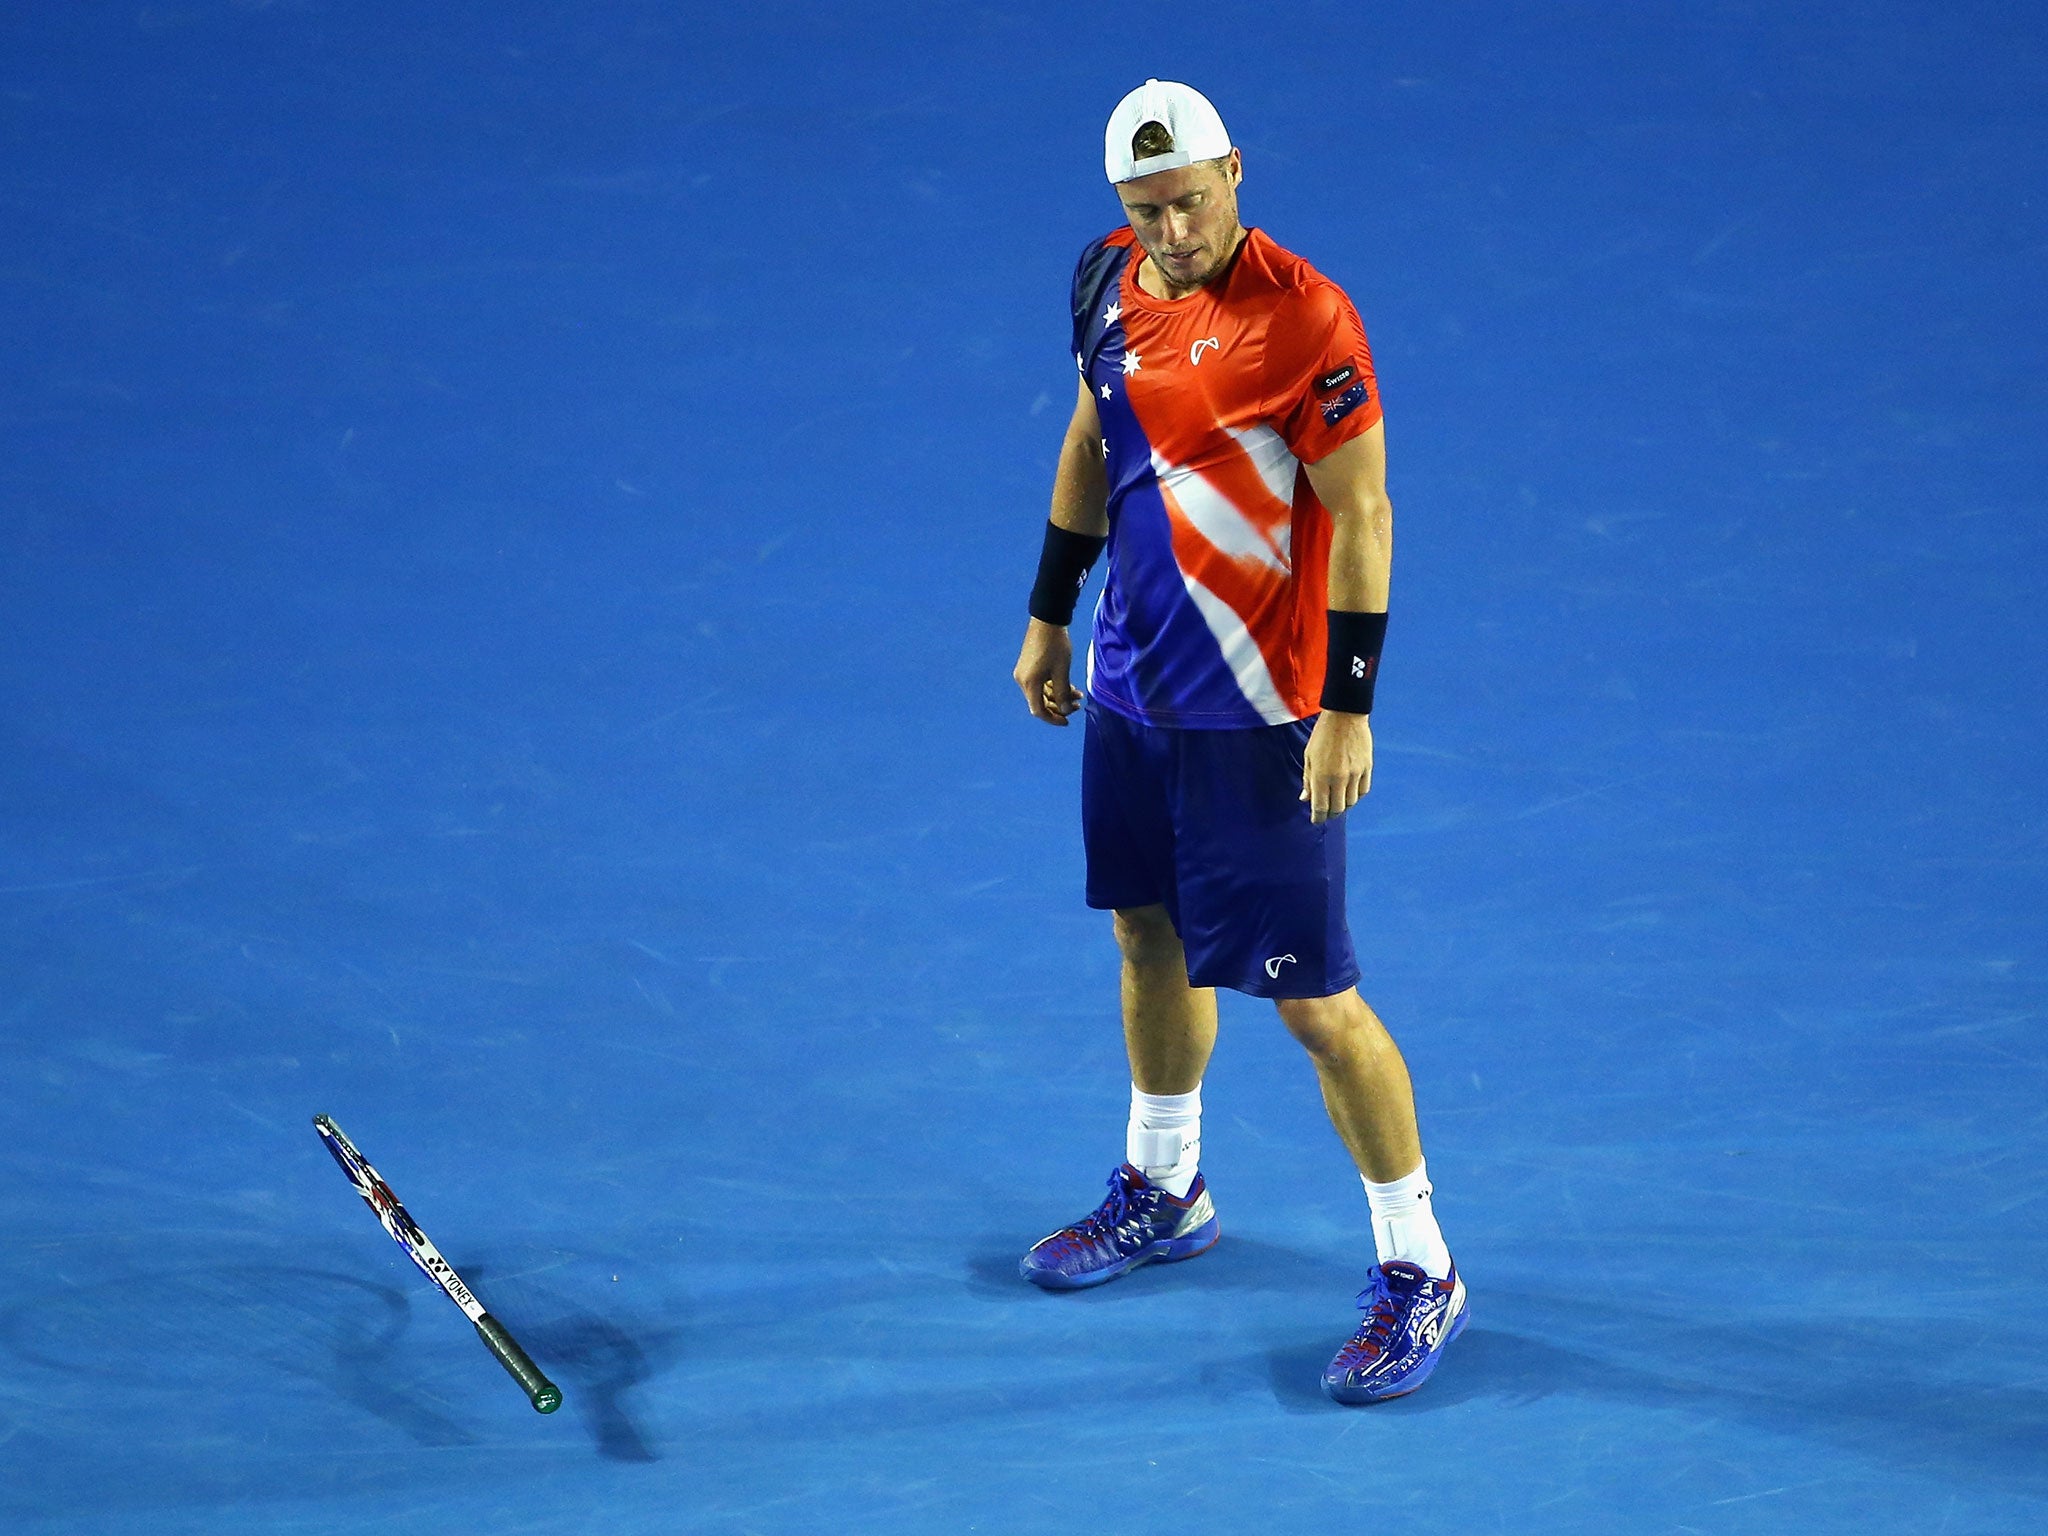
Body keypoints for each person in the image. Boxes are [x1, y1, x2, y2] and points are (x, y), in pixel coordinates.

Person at [1009, 79, 1466, 1404]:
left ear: (1237, 173)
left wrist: (1350, 703)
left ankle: (1420, 1267)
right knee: (1143, 935)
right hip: (1135, 694)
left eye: (1193, 200)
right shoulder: (1106, 280)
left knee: (1316, 1005)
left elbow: (1364, 514)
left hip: (1265, 717)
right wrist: (1050, 616)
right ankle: (1164, 1186)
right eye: (1147, 209)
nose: (1174, 229)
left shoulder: (1307, 319)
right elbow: (1098, 442)